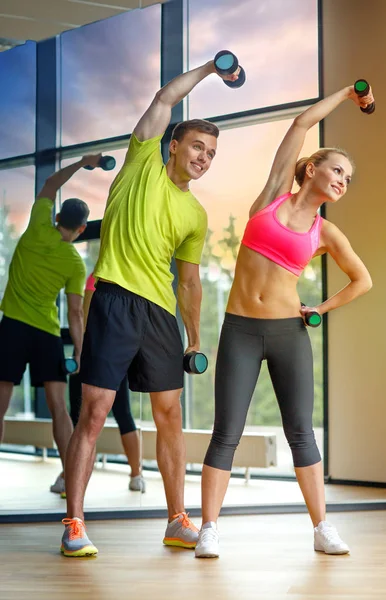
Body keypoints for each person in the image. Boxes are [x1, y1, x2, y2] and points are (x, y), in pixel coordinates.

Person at [60, 55, 242, 558]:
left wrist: (196, 336)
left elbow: (188, 281)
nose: (204, 158)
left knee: (169, 415)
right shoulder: (141, 164)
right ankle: (74, 522)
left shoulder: (196, 214)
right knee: (93, 413)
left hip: (160, 317)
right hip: (115, 299)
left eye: (211, 153)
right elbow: (164, 99)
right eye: (197, 147)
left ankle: (176, 520)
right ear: (173, 145)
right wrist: (211, 69)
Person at [195, 84, 374, 559]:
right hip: (240, 330)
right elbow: (299, 125)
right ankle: (209, 528)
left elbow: (363, 280)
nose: (343, 180)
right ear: (311, 169)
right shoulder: (272, 199)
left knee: (301, 432)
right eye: (338, 169)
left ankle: (322, 528)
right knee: (226, 431)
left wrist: (320, 308)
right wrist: (347, 94)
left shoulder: (325, 231)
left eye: (349, 178)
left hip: (287, 334)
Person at [0, 155, 100, 494]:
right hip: (45, 334)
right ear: (82, 228)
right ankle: (69, 479)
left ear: (57, 217)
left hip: (12, 327)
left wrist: (83, 162)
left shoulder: (37, 227)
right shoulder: (74, 262)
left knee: (0, 406)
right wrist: (83, 353)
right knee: (60, 409)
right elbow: (75, 313)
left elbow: (51, 184)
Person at [68, 272, 145, 493]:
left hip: (95, 353)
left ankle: (70, 476)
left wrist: (80, 353)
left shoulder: (97, 277)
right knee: (122, 415)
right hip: (116, 353)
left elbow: (83, 317)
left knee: (84, 420)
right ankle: (136, 474)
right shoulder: (124, 275)